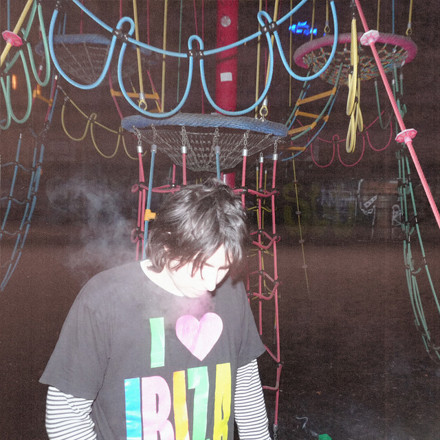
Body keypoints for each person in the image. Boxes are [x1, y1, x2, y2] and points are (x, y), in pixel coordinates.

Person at [40, 178, 271, 440]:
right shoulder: (103, 300)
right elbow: (66, 415)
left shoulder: (231, 290)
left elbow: (245, 384)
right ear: (168, 244)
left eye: (223, 268)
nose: (211, 283)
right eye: (203, 267)